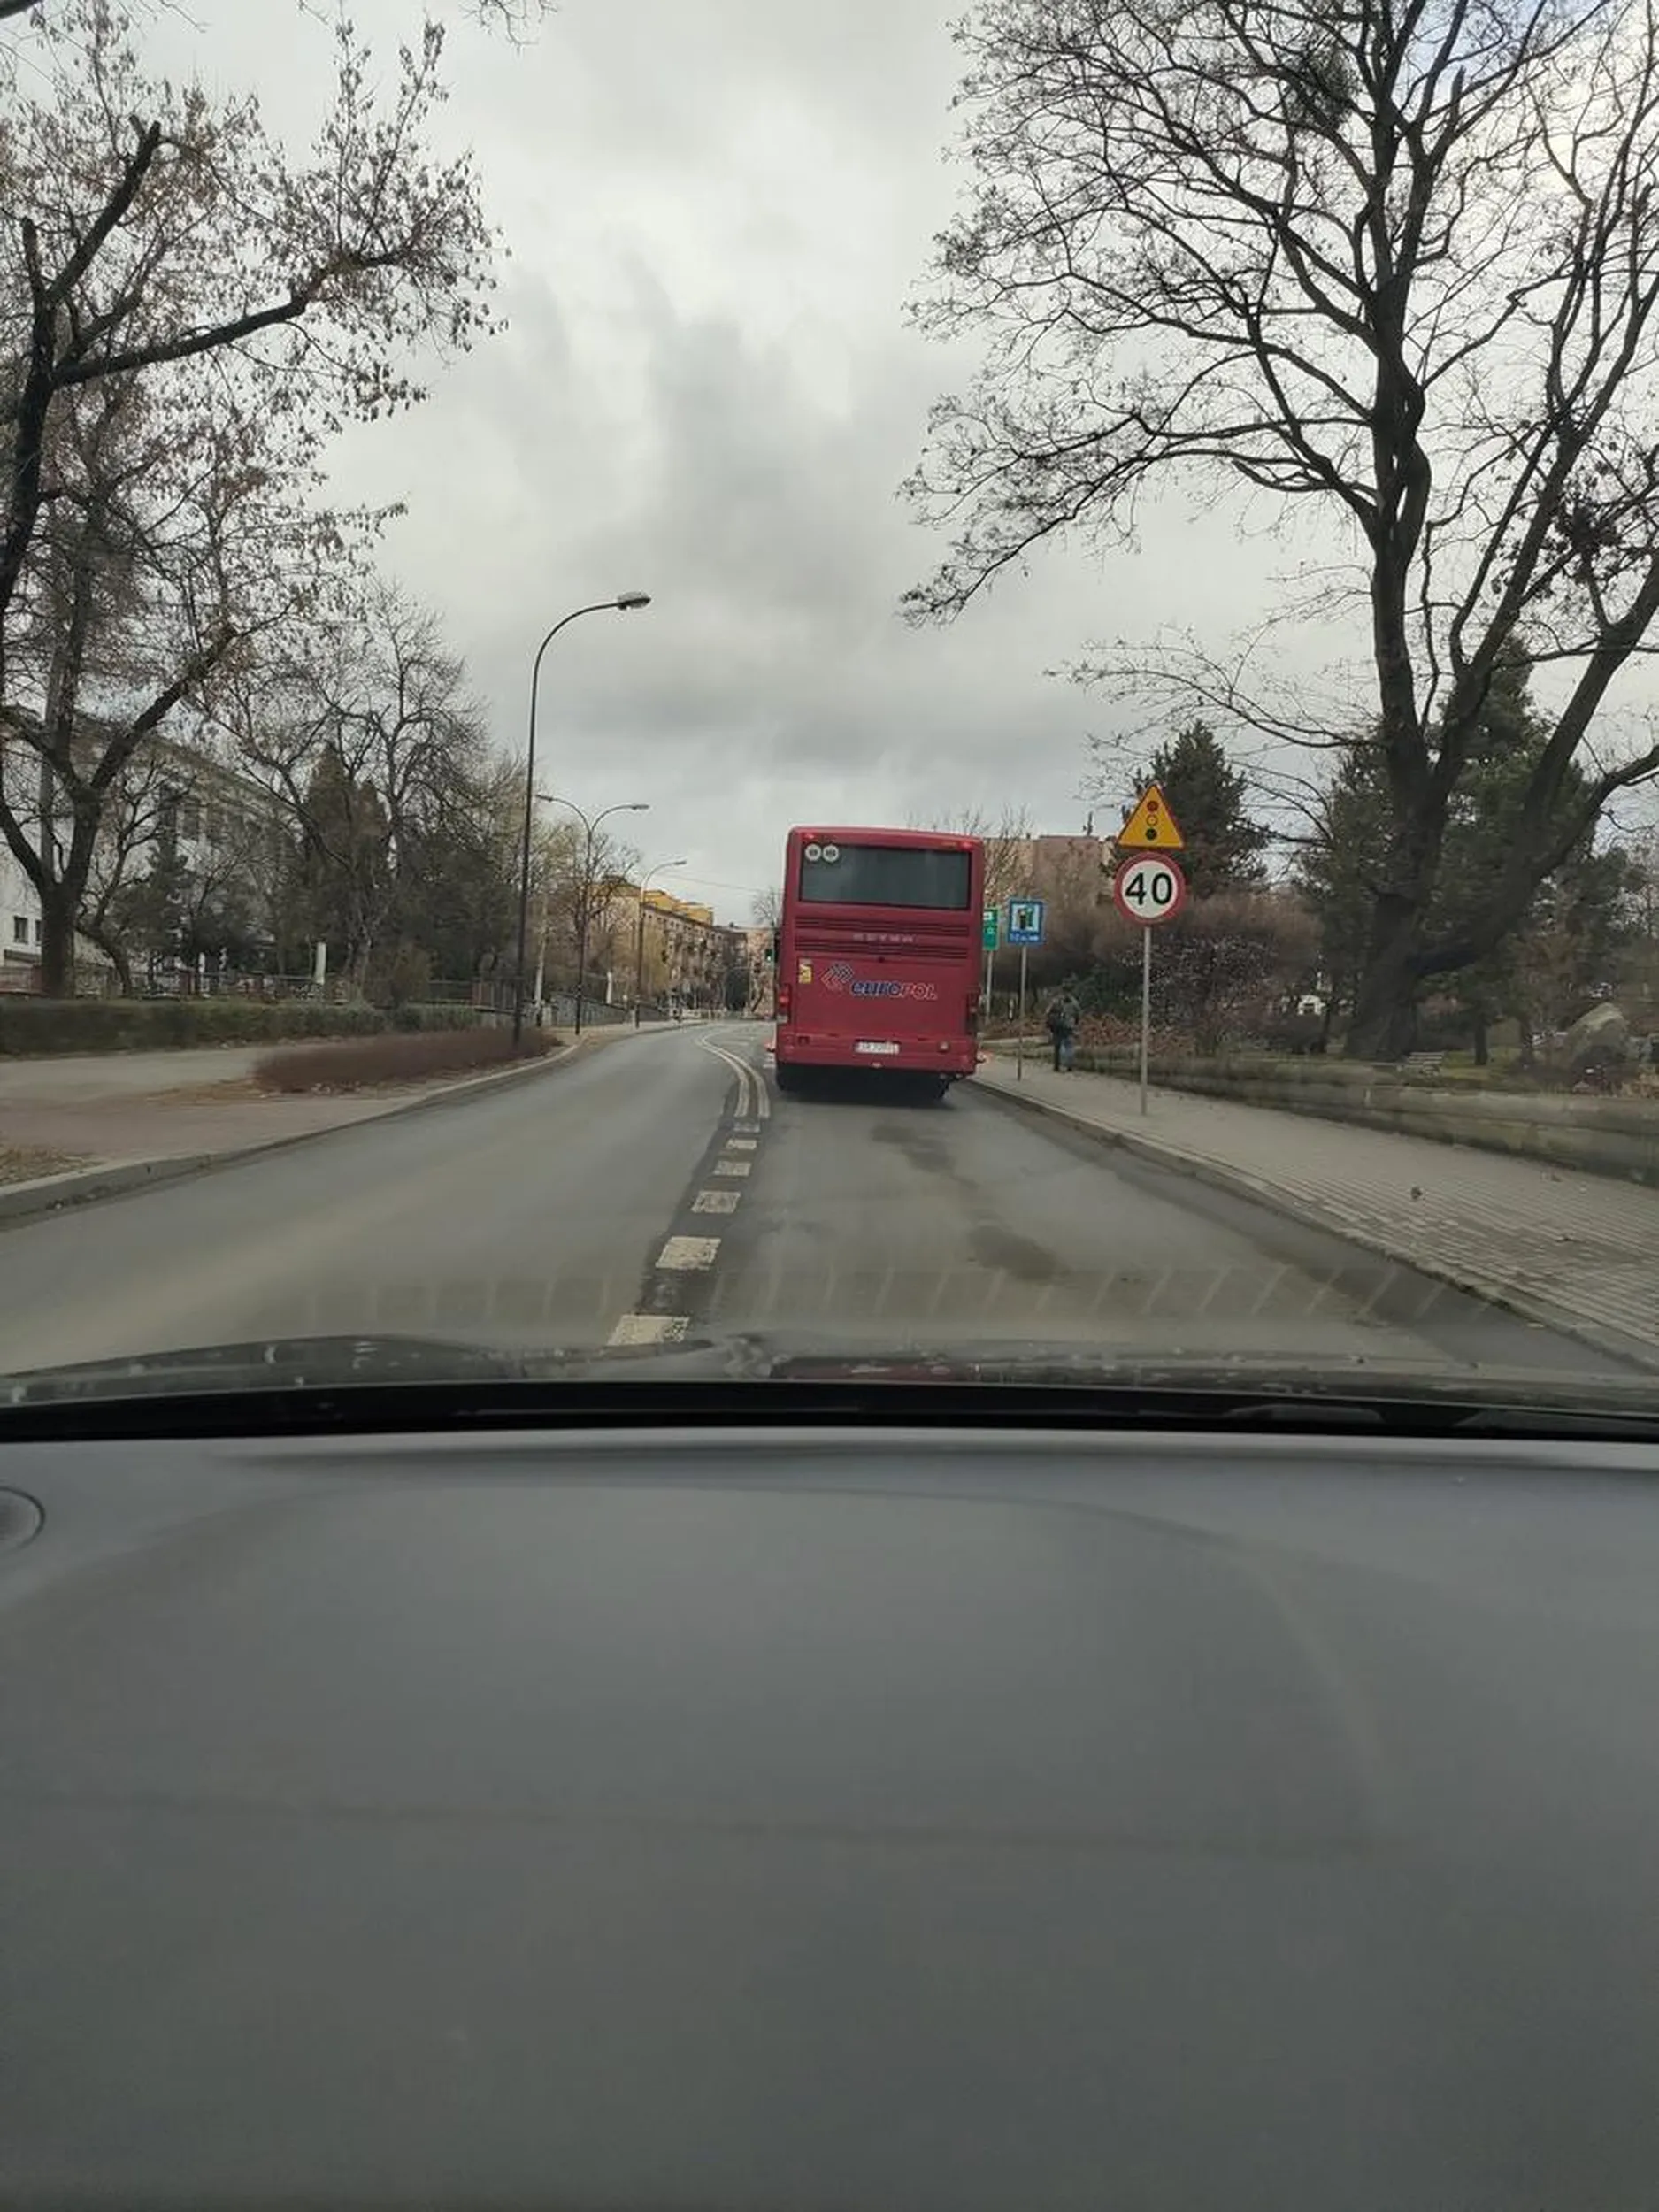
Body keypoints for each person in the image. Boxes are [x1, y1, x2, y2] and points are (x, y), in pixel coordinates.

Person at [1044, 988, 1080, 1071]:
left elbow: (1047, 1013)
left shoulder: (1056, 1002)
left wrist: (1050, 1023)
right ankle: (1069, 1065)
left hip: (1058, 1027)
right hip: (1069, 1026)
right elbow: (1078, 1015)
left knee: (1058, 1046)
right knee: (1069, 1046)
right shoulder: (1074, 1003)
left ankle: (1057, 1066)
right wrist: (1075, 1024)